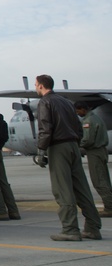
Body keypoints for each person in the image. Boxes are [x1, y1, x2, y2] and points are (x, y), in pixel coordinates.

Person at [35, 75, 102, 241]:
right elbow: (79, 127)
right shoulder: (66, 101)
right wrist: (76, 144)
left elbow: (46, 127)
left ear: (42, 86)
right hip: (73, 145)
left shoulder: (45, 102)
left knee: (62, 188)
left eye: (36, 85)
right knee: (82, 188)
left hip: (58, 147)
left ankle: (70, 229)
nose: (36, 87)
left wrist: (41, 150)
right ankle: (93, 227)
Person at [75, 101, 112, 217]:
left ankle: (109, 207)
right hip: (101, 151)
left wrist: (76, 146)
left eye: (78, 111)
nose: (78, 113)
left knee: (99, 181)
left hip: (94, 152)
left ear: (82, 109)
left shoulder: (88, 121)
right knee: (104, 179)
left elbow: (88, 140)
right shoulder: (96, 118)